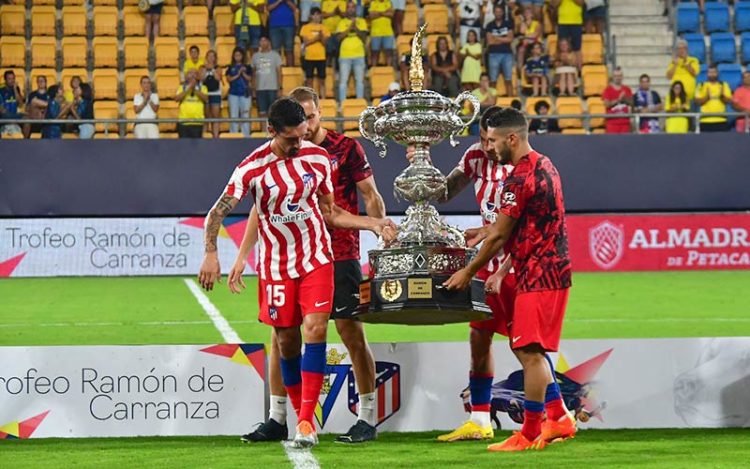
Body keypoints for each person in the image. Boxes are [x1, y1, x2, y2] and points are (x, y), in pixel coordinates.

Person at [198, 97, 395, 448]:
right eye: (291, 139)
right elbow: (217, 213)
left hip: (317, 258)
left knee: (315, 329)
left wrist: (371, 224)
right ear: (272, 131)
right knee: (287, 341)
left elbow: (330, 213)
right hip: (276, 266)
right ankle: (286, 417)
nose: (298, 145)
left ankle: (306, 422)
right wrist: (212, 253)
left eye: (302, 136)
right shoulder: (251, 168)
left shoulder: (319, 159)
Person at [444, 106, 573, 452]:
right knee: (525, 347)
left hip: (537, 273)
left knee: (529, 351)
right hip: (548, 268)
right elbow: (528, 224)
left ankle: (530, 432)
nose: (491, 147)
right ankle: (558, 417)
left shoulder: (517, 177)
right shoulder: (545, 164)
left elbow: (502, 235)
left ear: (512, 138)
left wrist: (467, 271)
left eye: (496, 140)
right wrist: (497, 259)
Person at [335, 2, 368, 101]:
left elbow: (364, 38)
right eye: (348, 7)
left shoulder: (361, 21)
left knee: (359, 81)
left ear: (355, 9)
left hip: (359, 55)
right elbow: (338, 38)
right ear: (346, 9)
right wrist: (350, 28)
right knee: (343, 81)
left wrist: (355, 28)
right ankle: (342, 104)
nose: (350, 9)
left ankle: (360, 102)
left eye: (353, 7)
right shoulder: (341, 22)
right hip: (345, 55)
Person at [300, 7, 331, 99]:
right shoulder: (305, 28)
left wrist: (320, 38)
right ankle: (310, 99)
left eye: (318, 14)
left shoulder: (324, 28)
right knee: (309, 80)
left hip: (321, 57)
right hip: (309, 57)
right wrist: (318, 37)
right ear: (311, 16)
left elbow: (325, 43)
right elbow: (306, 42)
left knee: (322, 80)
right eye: (314, 14)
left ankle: (323, 99)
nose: (317, 16)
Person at [485, 4, 515, 95]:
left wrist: (496, 38)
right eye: (496, 11)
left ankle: (511, 100)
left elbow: (510, 39)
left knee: (508, 79)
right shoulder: (490, 25)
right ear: (494, 12)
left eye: (500, 12)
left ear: (503, 12)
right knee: (493, 80)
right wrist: (504, 39)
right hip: (493, 54)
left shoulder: (508, 24)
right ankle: (492, 102)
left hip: (507, 54)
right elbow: (490, 42)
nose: (498, 13)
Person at [694, 64, 732, 133]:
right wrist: (707, 97)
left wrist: (721, 96)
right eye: (710, 72)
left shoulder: (724, 84)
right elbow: (697, 102)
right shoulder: (701, 85)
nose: (712, 74)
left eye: (714, 72)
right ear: (707, 74)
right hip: (705, 120)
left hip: (721, 119)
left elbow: (728, 101)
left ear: (717, 73)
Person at [252, 36, 284, 117]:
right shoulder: (255, 56)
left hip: (272, 88)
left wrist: (280, 87)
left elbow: (279, 72)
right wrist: (253, 88)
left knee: (273, 112)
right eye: (261, 41)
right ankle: (264, 129)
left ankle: (272, 129)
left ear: (269, 42)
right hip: (260, 88)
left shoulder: (275, 55)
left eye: (265, 40)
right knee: (262, 112)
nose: (263, 43)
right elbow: (253, 74)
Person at [226, 47, 253, 136]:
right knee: (234, 116)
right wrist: (238, 74)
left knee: (245, 115)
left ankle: (246, 135)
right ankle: (233, 134)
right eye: (236, 55)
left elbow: (250, 79)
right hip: (233, 94)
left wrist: (243, 73)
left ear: (242, 56)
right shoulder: (230, 67)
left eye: (239, 55)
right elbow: (229, 79)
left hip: (245, 94)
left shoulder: (248, 67)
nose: (237, 57)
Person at [175, 69, 208, 138]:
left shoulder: (203, 88)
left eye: (194, 74)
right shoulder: (181, 87)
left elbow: (206, 99)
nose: (192, 76)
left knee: (197, 147)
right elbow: (177, 98)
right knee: (184, 146)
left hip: (197, 122)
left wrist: (194, 89)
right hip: (184, 122)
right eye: (190, 73)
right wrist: (188, 88)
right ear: (186, 77)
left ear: (197, 77)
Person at [551, 0, 583, 68]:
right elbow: (554, 4)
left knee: (577, 48)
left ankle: (579, 71)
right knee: (561, 47)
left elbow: (581, 3)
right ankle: (560, 68)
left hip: (576, 21)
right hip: (562, 21)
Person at [602, 66, 633, 134]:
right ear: (613, 77)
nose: (618, 78)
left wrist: (624, 99)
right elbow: (607, 104)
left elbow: (631, 103)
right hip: (612, 123)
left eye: (620, 76)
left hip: (625, 123)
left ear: (622, 77)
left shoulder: (627, 89)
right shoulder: (607, 90)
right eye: (616, 76)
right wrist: (618, 100)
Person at [268, 0, 298, 66]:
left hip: (289, 25)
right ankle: (277, 70)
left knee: (289, 49)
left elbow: (295, 8)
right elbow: (268, 8)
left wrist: (287, 1)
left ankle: (291, 70)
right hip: (274, 25)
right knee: (275, 50)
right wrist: (279, 1)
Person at [202, 50, 223, 138]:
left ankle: (215, 136)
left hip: (215, 93)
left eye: (212, 56)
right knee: (206, 116)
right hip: (206, 94)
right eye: (209, 56)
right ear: (206, 57)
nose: (211, 58)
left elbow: (218, 78)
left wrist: (212, 69)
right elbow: (201, 79)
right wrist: (206, 69)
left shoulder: (218, 68)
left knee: (215, 117)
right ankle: (205, 135)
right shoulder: (202, 68)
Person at [368, 0, 395, 67]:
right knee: (374, 53)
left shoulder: (389, 2)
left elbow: (391, 14)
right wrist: (385, 13)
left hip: (388, 32)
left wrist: (378, 13)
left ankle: (389, 69)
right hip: (375, 33)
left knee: (389, 52)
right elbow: (371, 16)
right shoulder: (373, 3)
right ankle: (374, 70)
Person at [0, 70, 24, 137]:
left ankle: (26, 142)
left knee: (27, 119)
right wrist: (13, 117)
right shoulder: (1, 91)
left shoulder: (16, 89)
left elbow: (20, 104)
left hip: (15, 115)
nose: (12, 81)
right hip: (4, 116)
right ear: (5, 80)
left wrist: (15, 90)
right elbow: (2, 110)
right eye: (9, 79)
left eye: (13, 78)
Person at [516, 5, 541, 70]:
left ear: (532, 15)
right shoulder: (522, 24)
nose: (527, 14)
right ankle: (520, 69)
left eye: (529, 13)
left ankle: (535, 67)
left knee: (534, 47)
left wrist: (526, 36)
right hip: (525, 42)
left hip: (535, 41)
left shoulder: (536, 23)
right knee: (521, 49)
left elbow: (535, 34)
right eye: (526, 13)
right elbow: (521, 33)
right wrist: (523, 23)